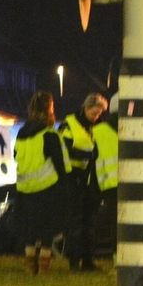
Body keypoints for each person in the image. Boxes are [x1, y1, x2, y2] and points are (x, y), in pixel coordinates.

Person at [13, 91, 70, 274]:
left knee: (29, 229)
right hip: (47, 188)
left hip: (25, 188)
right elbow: (61, 165)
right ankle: (44, 268)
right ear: (48, 110)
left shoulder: (22, 133)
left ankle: (31, 267)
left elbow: (15, 156)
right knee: (47, 228)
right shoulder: (49, 134)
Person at [59, 92, 108, 271]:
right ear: (86, 108)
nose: (97, 117)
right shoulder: (69, 124)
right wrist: (89, 155)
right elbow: (65, 150)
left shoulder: (99, 126)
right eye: (95, 113)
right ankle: (74, 262)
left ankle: (88, 261)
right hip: (75, 180)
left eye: (99, 114)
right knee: (76, 223)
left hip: (92, 181)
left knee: (89, 223)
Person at [91, 93, 120, 254]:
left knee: (114, 222)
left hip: (107, 185)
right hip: (130, 184)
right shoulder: (133, 128)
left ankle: (117, 257)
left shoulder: (98, 130)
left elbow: (92, 159)